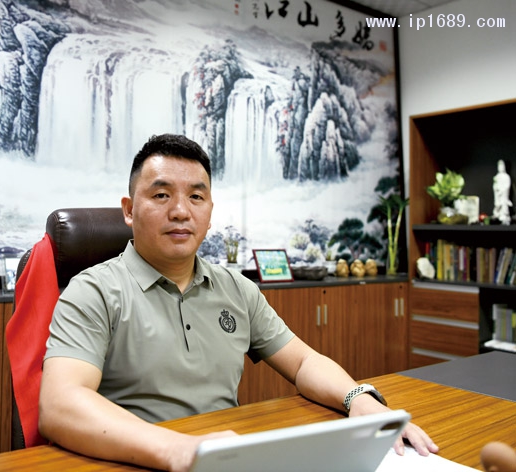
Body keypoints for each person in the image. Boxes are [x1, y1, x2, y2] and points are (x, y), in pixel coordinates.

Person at [39, 134, 438, 471]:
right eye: (161, 195)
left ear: (210, 213)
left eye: (196, 196)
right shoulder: (92, 291)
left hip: (226, 459)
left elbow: (303, 362)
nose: (180, 211)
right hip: (136, 460)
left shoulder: (237, 288)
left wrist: (358, 399)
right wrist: (179, 449)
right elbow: (60, 405)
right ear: (129, 211)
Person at [493, 159, 512, 225]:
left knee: (504, 205)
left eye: (502, 166)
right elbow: (494, 186)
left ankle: (504, 216)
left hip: (503, 195)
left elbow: (507, 185)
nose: (500, 168)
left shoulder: (506, 177)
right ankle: (497, 215)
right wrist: (497, 189)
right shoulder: (496, 177)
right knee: (497, 204)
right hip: (498, 195)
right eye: (499, 166)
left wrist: (502, 191)